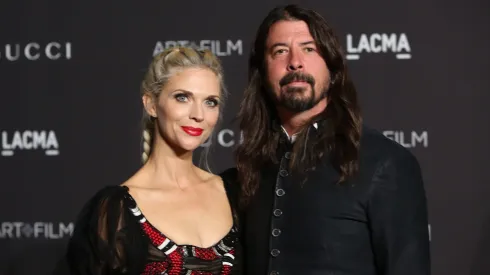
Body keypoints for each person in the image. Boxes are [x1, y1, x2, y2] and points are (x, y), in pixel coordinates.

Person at [220, 4, 430, 275]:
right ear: (262, 71)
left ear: (332, 67)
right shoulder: (248, 170)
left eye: (309, 48)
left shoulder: (385, 162)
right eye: (280, 51)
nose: (295, 61)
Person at [54, 47, 242, 275]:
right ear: (151, 104)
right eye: (182, 97)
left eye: (210, 102)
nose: (198, 114)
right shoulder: (117, 211)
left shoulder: (234, 192)